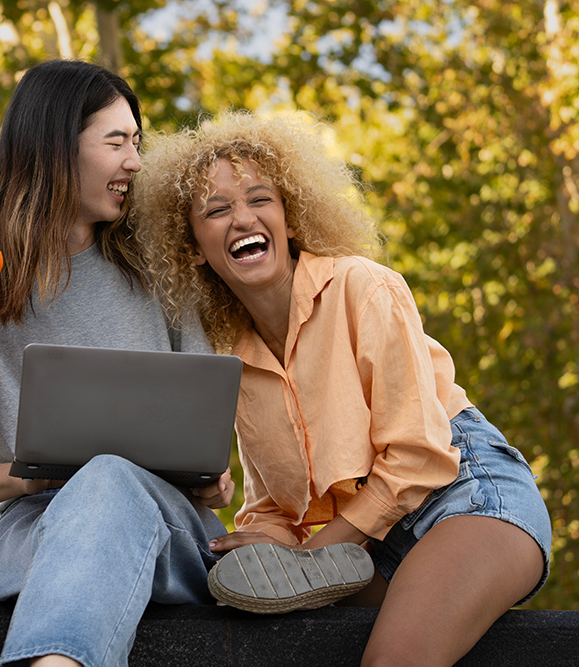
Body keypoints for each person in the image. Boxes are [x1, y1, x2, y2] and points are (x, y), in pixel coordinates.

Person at [132, 109, 552, 666]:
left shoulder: (362, 285)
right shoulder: (226, 353)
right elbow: (275, 498)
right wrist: (256, 538)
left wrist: (307, 557)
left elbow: (419, 457)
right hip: (369, 544)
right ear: (191, 245)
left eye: (261, 199)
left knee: (393, 660)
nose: (243, 218)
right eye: (217, 209)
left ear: (290, 216)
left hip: (463, 495)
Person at [0, 59, 234, 667]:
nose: (135, 160)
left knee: (106, 476)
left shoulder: (167, 275)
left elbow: (211, 456)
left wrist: (214, 477)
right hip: (35, 538)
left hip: (170, 536)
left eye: (137, 142)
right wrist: (27, 480)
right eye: (116, 142)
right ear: (56, 148)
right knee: (96, 482)